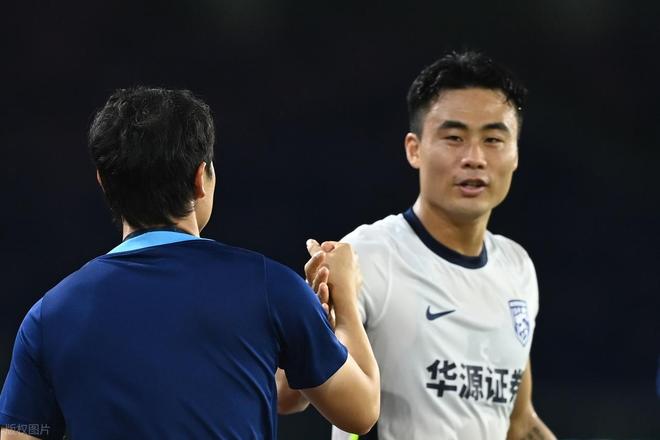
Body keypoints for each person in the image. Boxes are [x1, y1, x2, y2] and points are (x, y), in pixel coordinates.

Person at [0, 87, 379, 440]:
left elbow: (279, 393)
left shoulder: (48, 317)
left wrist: (308, 337)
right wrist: (344, 298)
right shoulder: (270, 288)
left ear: (103, 182)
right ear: (201, 178)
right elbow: (361, 411)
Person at [305, 51, 556, 439]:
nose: (474, 158)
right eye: (454, 138)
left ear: (516, 153)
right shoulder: (367, 255)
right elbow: (290, 394)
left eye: (493, 139)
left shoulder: (517, 267)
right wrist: (311, 316)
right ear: (414, 149)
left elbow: (518, 423)